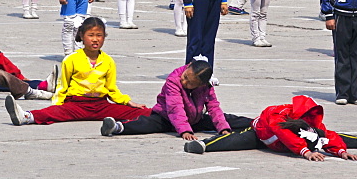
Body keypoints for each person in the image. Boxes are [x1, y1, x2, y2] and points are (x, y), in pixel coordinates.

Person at [4, 17, 150, 126]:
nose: (95, 40)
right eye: (91, 35)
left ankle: (163, 113)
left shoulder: (108, 61)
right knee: (53, 113)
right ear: (81, 36)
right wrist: (58, 104)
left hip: (101, 105)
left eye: (99, 35)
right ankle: (25, 117)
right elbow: (63, 86)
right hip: (76, 104)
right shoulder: (71, 59)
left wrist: (128, 102)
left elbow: (112, 89)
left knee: (141, 112)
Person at [183, 95, 357, 157]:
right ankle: (203, 145)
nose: (310, 120)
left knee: (332, 137)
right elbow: (285, 135)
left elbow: (326, 134)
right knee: (235, 140)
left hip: (287, 143)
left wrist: (341, 152)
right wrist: (305, 152)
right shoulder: (278, 115)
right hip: (262, 136)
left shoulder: (309, 121)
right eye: (306, 116)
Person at [100, 59, 251, 138]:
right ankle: (117, 127)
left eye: (191, 83)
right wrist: (185, 131)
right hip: (166, 117)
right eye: (185, 77)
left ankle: (257, 122)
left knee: (227, 119)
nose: (184, 82)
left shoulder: (206, 86)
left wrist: (223, 128)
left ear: (201, 84)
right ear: (188, 66)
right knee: (146, 123)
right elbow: (175, 108)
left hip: (194, 120)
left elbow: (213, 108)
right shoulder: (173, 80)